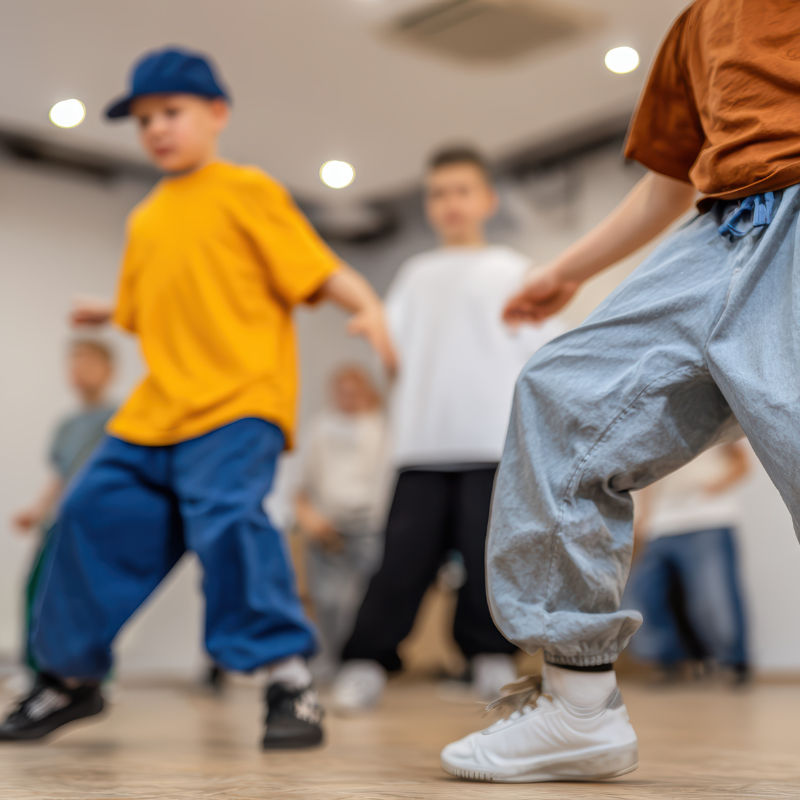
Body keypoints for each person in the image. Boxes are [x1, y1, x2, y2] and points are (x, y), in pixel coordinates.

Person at [440, 0, 800, 782]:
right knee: (562, 395)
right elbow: (669, 181)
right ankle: (578, 708)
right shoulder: (699, 22)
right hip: (719, 229)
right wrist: (566, 270)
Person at [0, 47, 395, 749]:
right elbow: (151, 303)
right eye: (144, 119)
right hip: (153, 414)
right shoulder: (147, 218)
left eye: (171, 112)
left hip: (238, 405)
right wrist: (107, 310)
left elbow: (316, 267)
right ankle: (68, 679)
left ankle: (287, 681)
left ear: (217, 113)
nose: (157, 128)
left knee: (228, 521)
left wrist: (364, 303)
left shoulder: (247, 191)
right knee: (86, 514)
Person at [333, 147, 564, 712]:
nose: (450, 203)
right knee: (399, 565)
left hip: (494, 445)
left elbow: (549, 358)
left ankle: (488, 659)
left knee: (489, 564)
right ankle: (365, 663)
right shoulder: (415, 275)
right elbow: (396, 357)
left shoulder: (516, 271)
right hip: (421, 447)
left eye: (462, 190)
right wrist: (373, 330)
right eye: (438, 193)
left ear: (487, 200)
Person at [12, 340, 116, 672]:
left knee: (92, 599)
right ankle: (38, 673)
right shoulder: (67, 425)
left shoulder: (121, 419)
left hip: (97, 525)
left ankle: (97, 675)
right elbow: (60, 474)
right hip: (60, 522)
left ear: (108, 370)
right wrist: (38, 510)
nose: (78, 371)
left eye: (87, 362)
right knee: (37, 591)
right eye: (74, 363)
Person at [295, 365, 392, 682]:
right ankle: (330, 661)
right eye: (343, 391)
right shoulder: (320, 427)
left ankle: (361, 662)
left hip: (371, 524)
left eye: (355, 391)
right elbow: (299, 480)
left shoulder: (383, 429)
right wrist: (308, 515)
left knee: (364, 600)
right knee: (328, 599)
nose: (348, 398)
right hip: (328, 525)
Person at [626, 443, 751, 683]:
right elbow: (648, 478)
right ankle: (670, 663)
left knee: (714, 599)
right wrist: (644, 516)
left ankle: (734, 663)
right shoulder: (649, 429)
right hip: (661, 524)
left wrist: (716, 486)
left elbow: (742, 462)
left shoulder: (713, 414)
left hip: (707, 518)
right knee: (641, 597)